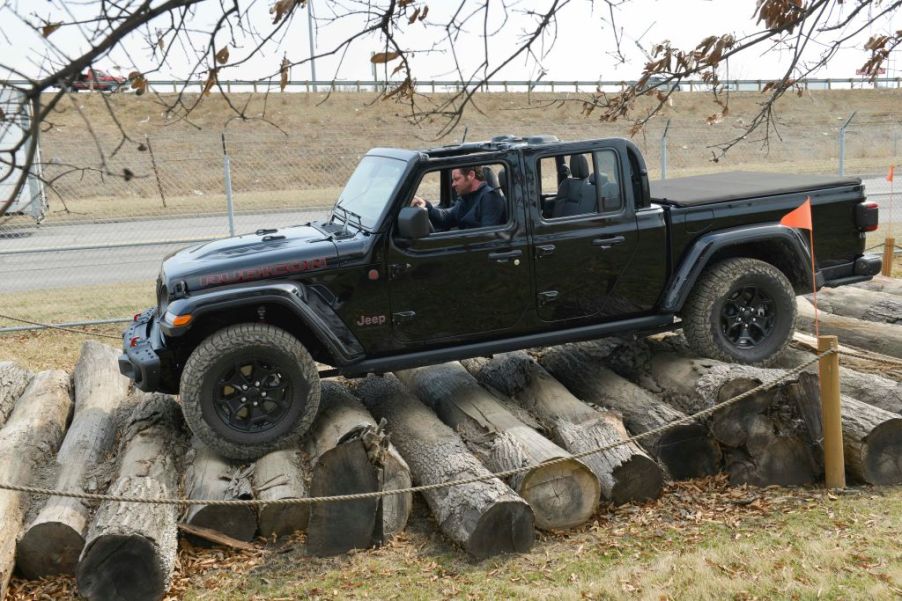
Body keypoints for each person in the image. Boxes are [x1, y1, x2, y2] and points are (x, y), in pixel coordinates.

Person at [410, 166, 506, 231]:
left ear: (471, 175)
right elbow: (446, 218)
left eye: (456, 179)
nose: (453, 184)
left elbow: (488, 236)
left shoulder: (490, 198)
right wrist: (426, 205)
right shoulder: (467, 197)